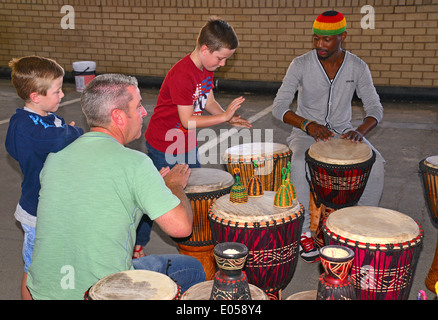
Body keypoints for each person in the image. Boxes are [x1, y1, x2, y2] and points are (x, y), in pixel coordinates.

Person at [26, 74, 206, 300]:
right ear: (118, 117)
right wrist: (173, 186)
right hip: (101, 292)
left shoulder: (55, 159)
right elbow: (181, 228)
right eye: (138, 106)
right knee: (191, 268)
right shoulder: (136, 163)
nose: (144, 112)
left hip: (45, 291)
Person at [272, 11, 385, 263]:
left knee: (376, 163)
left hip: (344, 133)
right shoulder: (300, 64)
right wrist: (306, 124)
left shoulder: (357, 66)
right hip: (305, 134)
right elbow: (279, 107)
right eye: (316, 39)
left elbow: (375, 108)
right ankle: (302, 233)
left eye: (327, 40)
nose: (320, 45)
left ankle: (361, 226)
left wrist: (359, 131)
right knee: (300, 162)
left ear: (342, 36)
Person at [136, 17, 252, 257]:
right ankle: (138, 241)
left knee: (194, 192)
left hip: (185, 143)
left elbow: (207, 101)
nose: (222, 64)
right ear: (205, 49)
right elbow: (188, 120)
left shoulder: (205, 69)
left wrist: (228, 117)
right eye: (220, 58)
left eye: (226, 59)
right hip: (164, 144)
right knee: (160, 194)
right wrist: (224, 118)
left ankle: (196, 243)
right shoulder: (182, 75)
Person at [5, 56, 84, 299]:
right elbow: (61, 137)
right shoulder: (24, 124)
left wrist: (63, 134)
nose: (62, 95)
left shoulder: (47, 118)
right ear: (35, 96)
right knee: (34, 268)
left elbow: (57, 138)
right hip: (37, 212)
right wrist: (70, 132)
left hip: (54, 206)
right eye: (57, 91)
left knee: (56, 260)